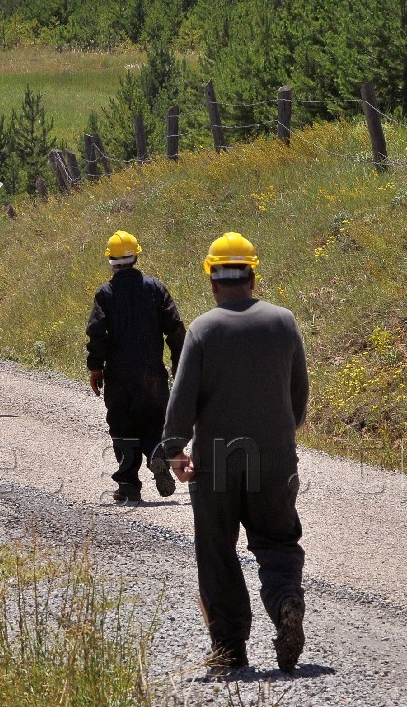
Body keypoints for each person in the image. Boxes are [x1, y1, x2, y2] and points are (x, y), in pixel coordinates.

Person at [155, 232, 309, 674]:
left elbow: (182, 399)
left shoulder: (203, 329)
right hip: (275, 460)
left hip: (217, 463)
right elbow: (298, 395)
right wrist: (283, 433)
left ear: (212, 281)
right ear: (253, 276)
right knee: (277, 541)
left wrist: (172, 449)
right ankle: (285, 602)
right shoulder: (284, 322)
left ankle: (230, 648)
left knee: (217, 548)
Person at [85, 230, 185, 503]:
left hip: (119, 377)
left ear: (111, 261)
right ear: (136, 256)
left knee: (123, 426)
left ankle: (129, 486)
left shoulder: (106, 293)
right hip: (153, 374)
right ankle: (157, 455)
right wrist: (180, 366)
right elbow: (176, 330)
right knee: (154, 421)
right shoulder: (155, 288)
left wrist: (95, 367)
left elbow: (97, 333)